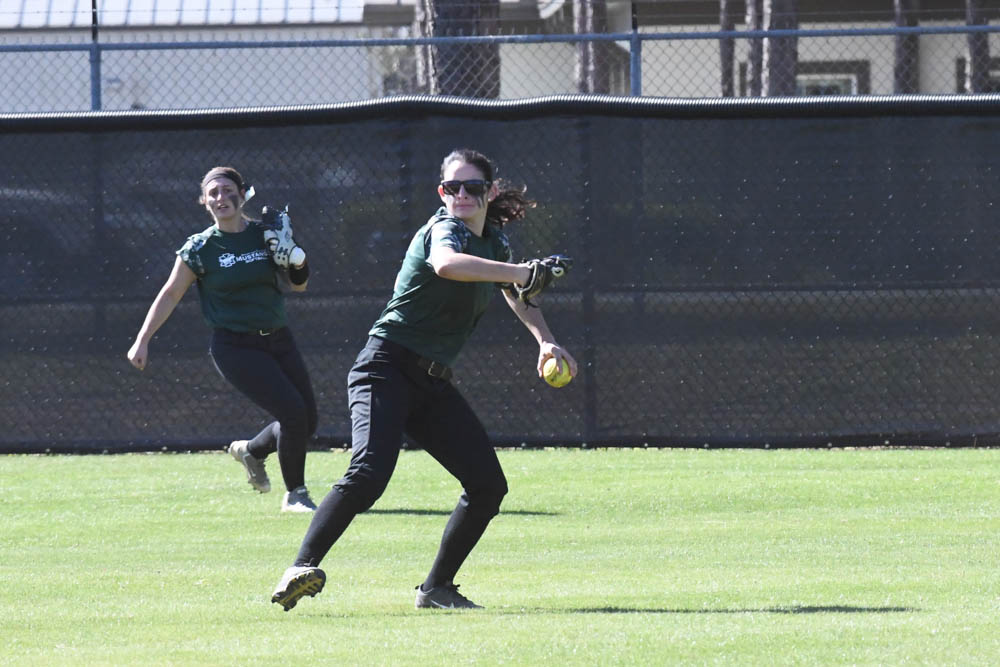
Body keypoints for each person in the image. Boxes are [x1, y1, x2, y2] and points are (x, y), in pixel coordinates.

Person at [270, 148, 578, 611]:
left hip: (431, 382)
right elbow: (447, 265)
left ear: (491, 191)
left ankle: (437, 589)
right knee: (369, 473)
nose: (462, 195)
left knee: (487, 486)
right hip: (384, 368)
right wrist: (522, 272)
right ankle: (300, 567)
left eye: (473, 186)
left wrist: (545, 341)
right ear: (441, 192)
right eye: (452, 187)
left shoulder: (494, 243)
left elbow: (517, 293)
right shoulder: (444, 229)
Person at [126, 166, 319, 513]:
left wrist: (295, 256)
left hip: (279, 338)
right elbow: (170, 293)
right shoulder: (200, 248)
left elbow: (299, 285)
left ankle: (251, 451)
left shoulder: (264, 234)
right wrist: (142, 339)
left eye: (228, 190)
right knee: (292, 413)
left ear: (242, 195)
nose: (221, 197)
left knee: (308, 421)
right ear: (204, 201)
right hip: (235, 347)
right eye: (213, 192)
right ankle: (295, 494)